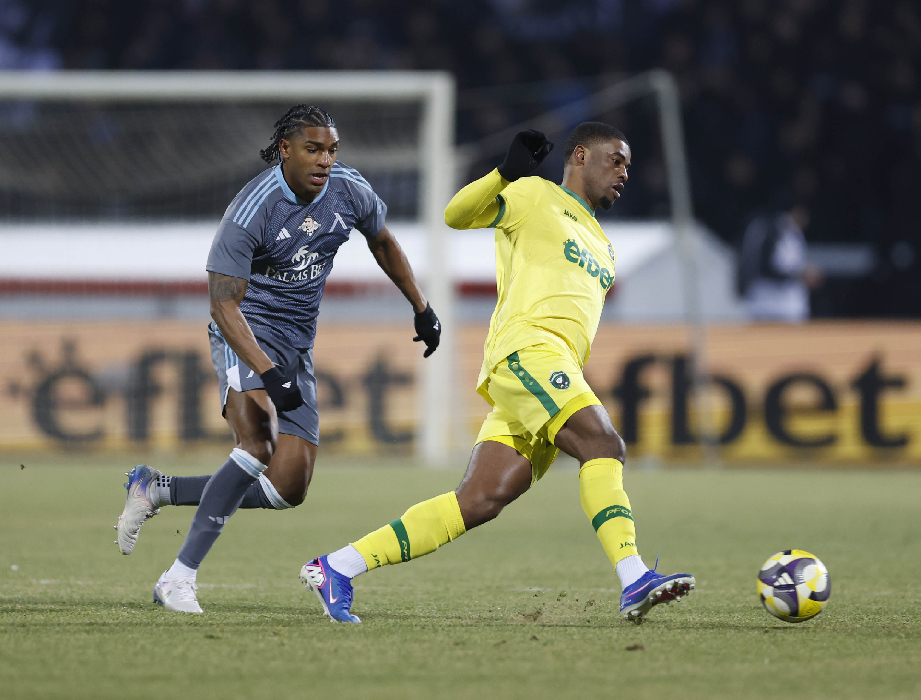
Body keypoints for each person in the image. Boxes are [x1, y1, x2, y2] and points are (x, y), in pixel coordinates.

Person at [299, 123, 694, 625]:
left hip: (553, 369)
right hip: (528, 352)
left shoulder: (604, 244)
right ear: (580, 155)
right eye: (616, 160)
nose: (624, 173)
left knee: (480, 499)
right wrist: (505, 173)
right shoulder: (535, 195)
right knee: (603, 444)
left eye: (628, 166)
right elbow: (455, 215)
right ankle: (633, 575)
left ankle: (336, 567)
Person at [114, 105, 441, 614]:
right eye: (314, 149)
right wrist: (267, 373)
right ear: (285, 150)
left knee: (288, 487)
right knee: (259, 440)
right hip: (245, 331)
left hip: (297, 344)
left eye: (332, 150)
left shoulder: (349, 190)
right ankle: (178, 578)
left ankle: (157, 489)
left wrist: (421, 307)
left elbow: (382, 241)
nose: (325, 160)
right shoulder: (253, 209)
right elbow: (222, 304)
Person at [737, 201, 823, 322]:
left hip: (789, 304)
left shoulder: (795, 235)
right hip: (767, 302)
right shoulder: (771, 229)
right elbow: (765, 267)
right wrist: (799, 274)